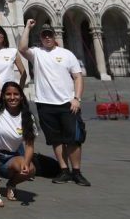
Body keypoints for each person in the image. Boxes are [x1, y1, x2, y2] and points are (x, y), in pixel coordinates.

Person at [17, 20, 89, 186]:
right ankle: (64, 170)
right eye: (44, 35)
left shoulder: (67, 54)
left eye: (50, 34)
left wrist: (77, 98)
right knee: (55, 139)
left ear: (54, 36)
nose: (47, 37)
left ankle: (77, 172)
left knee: (74, 139)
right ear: (40, 38)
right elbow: (22, 48)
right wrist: (27, 27)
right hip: (45, 104)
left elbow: (78, 77)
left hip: (67, 103)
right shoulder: (37, 53)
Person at [0, 24, 26, 89]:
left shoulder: (13, 51)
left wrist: (19, 90)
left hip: (9, 92)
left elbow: (23, 73)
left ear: (3, 34)